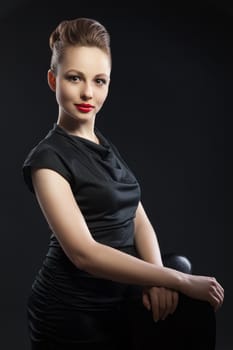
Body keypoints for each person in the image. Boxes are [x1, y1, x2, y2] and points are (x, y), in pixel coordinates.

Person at [22, 17, 224, 350]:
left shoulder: (102, 143)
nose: (88, 92)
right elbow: (84, 254)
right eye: (74, 78)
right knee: (184, 279)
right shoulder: (47, 159)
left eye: (99, 81)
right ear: (52, 79)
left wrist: (157, 279)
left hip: (122, 296)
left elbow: (137, 216)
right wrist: (178, 280)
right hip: (73, 313)